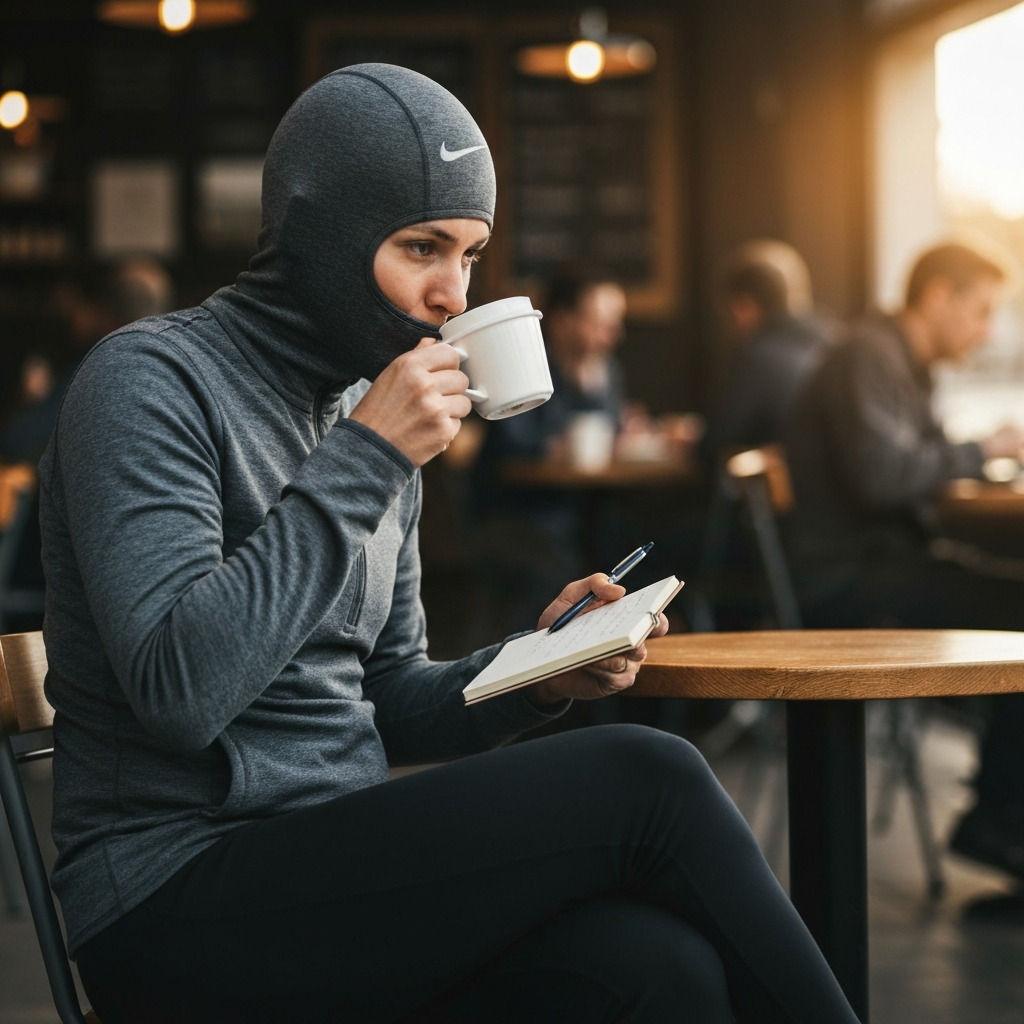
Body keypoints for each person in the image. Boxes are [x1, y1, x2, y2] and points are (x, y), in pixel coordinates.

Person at [41, 65, 858, 1023]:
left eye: (470, 255)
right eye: (421, 247)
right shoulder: (150, 384)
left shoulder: (367, 408)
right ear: (320, 236)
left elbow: (386, 697)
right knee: (652, 775)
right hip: (170, 893)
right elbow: (179, 694)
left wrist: (541, 672)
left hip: (333, 858)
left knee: (655, 964)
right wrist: (365, 460)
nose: (450, 293)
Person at [785, 241, 1024, 887]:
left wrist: (970, 452)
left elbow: (914, 458)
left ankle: (1003, 811)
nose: (986, 331)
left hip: (881, 563)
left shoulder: (899, 363)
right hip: (846, 580)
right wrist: (986, 448)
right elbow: (882, 476)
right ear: (937, 296)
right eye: (979, 311)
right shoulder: (867, 356)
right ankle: (999, 817)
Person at [469, 269, 629, 630]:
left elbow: (610, 430)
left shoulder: (602, 370)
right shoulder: (519, 366)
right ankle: (539, 667)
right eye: (601, 323)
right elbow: (513, 444)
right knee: (562, 566)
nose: (614, 334)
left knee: (620, 546)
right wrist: (562, 444)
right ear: (561, 321)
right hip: (513, 513)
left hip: (577, 510)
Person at [703, 240, 834, 462]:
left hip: (788, 492)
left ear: (743, 307)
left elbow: (714, 447)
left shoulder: (758, 358)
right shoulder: (835, 341)